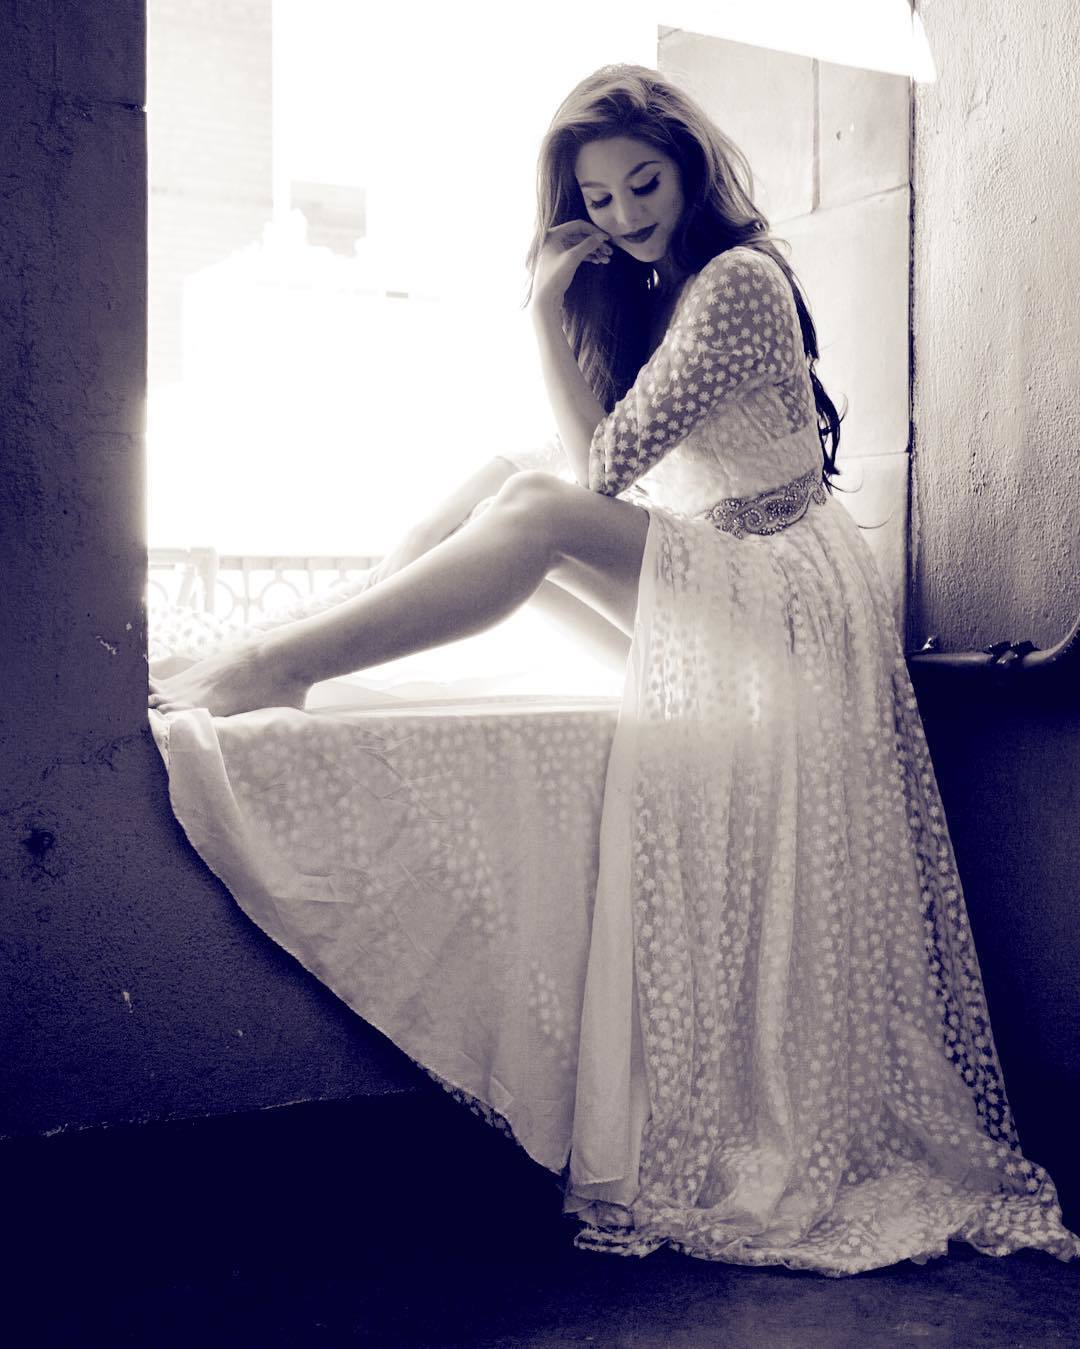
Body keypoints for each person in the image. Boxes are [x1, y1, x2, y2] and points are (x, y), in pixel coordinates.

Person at [147, 65, 1078, 1274]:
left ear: (690, 167)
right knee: (505, 476)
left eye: (646, 183)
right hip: (737, 588)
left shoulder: (735, 279)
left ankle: (277, 664)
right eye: (600, 197)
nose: (628, 212)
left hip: (786, 610)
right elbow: (587, 460)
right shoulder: (660, 287)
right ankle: (310, 635)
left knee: (536, 501)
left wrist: (543, 312)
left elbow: (599, 472)